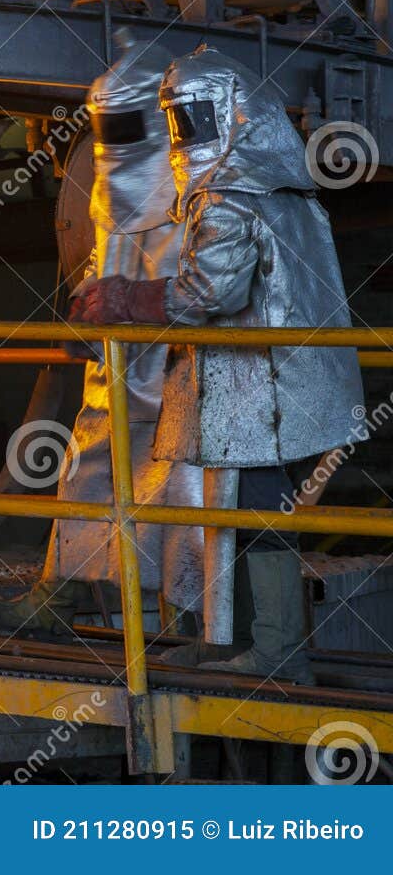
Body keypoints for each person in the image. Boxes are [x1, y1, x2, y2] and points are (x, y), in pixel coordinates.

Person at [75, 45, 364, 685]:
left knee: (255, 511)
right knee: (233, 512)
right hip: (267, 381)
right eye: (177, 122)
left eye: (195, 120)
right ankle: (230, 638)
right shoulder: (280, 189)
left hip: (260, 387)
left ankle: (278, 651)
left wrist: (124, 298)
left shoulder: (228, 196)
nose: (185, 138)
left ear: (232, 114)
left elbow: (212, 294)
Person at [0, 35, 204, 639]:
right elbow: (107, 259)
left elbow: (209, 292)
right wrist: (87, 301)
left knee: (182, 492)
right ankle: (59, 598)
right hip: (116, 371)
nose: (117, 145)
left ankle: (190, 626)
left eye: (127, 126)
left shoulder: (197, 192)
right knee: (85, 468)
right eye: (108, 129)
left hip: (183, 378)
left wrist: (132, 302)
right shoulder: (112, 183)